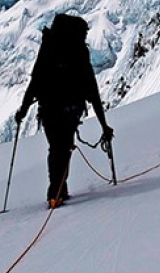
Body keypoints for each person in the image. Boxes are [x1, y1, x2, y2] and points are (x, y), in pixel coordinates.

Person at [15, 14, 114, 209]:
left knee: (56, 149)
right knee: (64, 147)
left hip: (48, 110)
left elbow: (35, 82)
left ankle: (58, 190)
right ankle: (57, 191)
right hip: (70, 111)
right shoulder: (78, 51)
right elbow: (91, 90)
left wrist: (24, 110)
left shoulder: (48, 49)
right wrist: (104, 125)